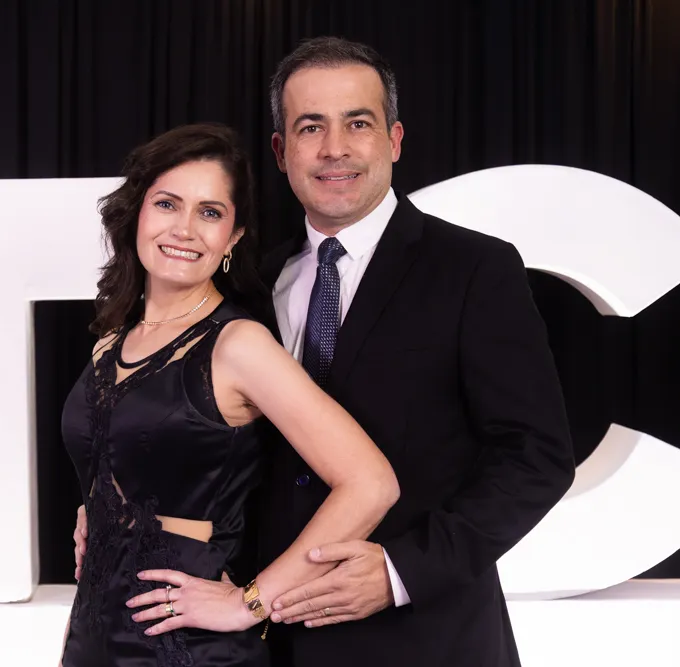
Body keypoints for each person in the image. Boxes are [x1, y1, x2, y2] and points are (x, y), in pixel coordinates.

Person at [75, 38, 576, 666]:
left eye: (357, 123)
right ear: (281, 151)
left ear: (394, 140)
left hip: (425, 637)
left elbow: (536, 458)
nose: (334, 147)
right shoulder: (253, 283)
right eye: (311, 127)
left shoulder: (474, 269)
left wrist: (401, 571)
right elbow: (207, 442)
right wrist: (111, 509)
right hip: (268, 638)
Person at [58, 122, 400, 667]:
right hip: (92, 638)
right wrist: (97, 511)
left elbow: (370, 483)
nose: (185, 229)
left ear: (233, 237)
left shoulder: (239, 345)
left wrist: (250, 603)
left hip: (188, 649)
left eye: (210, 213)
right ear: (137, 213)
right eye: (167, 204)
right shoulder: (110, 343)